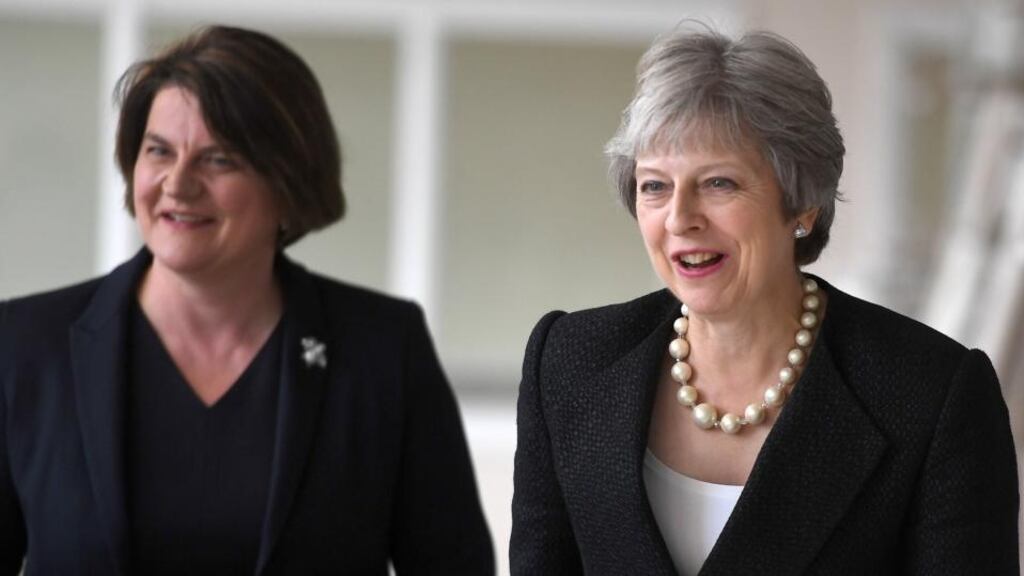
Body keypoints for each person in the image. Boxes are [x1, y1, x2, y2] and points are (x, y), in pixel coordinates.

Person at [510, 23, 1019, 575]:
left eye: (718, 183)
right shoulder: (568, 362)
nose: (679, 219)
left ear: (802, 202)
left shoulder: (933, 394)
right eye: (655, 185)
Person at [0, 25, 493, 575]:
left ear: (287, 182)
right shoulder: (25, 345)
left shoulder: (382, 349)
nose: (177, 184)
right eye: (159, 151)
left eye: (218, 160)